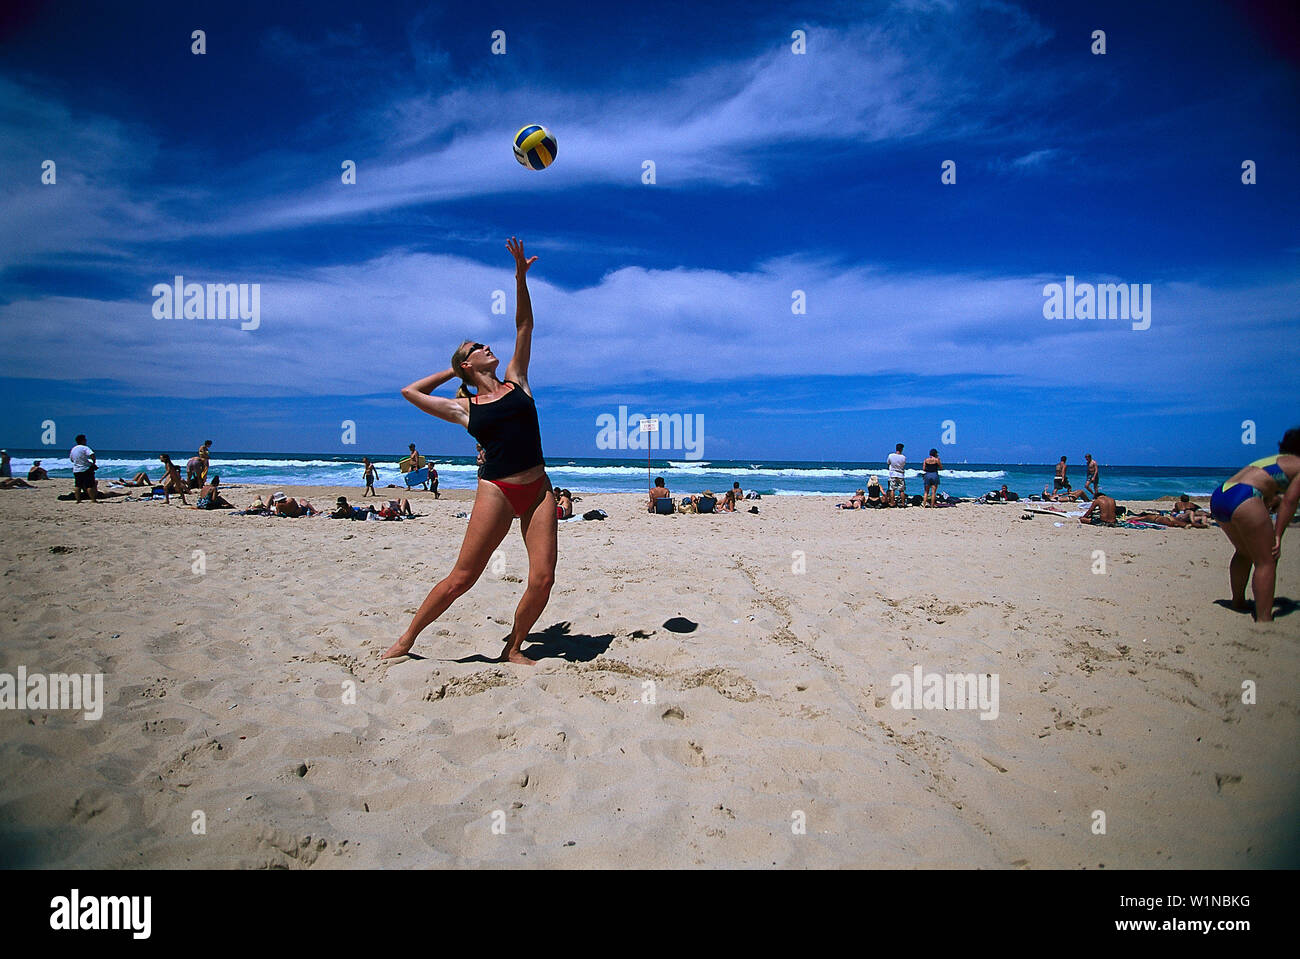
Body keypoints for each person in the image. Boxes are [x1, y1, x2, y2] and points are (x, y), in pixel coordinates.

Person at [385, 236, 555, 665]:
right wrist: (453, 365)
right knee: (463, 577)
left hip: (538, 488)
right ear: (468, 364)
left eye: (482, 344)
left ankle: (513, 647)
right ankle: (407, 639)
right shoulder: (466, 409)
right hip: (496, 490)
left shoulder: (518, 379)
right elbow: (411, 391)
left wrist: (520, 278)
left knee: (543, 578)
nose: (486, 347)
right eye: (476, 348)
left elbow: (524, 327)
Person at [1209, 430, 1300, 623]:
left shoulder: (1274, 460)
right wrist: (1277, 535)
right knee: (1267, 560)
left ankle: (1238, 601)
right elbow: (1290, 502)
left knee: (1244, 552)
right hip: (1246, 496)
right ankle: (1264, 619)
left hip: (1221, 494)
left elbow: (1268, 486)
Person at [69, 435, 97, 503]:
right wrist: (93, 462)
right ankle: (93, 499)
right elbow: (92, 454)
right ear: (82, 440)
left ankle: (78, 500)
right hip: (85, 468)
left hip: (76, 469)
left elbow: (72, 459)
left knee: (78, 485)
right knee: (90, 485)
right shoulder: (85, 448)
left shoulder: (74, 449)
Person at [887, 443, 907, 508]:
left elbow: (888, 462)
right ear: (901, 449)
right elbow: (903, 465)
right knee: (901, 490)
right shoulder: (903, 457)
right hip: (900, 474)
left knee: (892, 489)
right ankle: (903, 503)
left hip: (893, 474)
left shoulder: (891, 455)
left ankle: (892, 503)